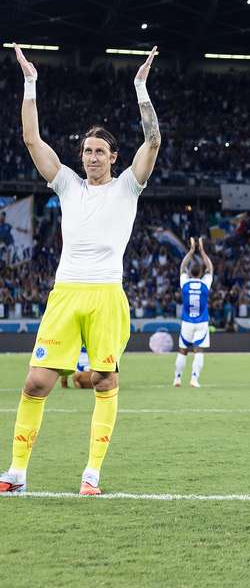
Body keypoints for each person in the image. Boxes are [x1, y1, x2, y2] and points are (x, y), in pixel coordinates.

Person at [0, 45, 160, 495]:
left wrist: (140, 88)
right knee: (36, 382)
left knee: (105, 379)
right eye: (87, 150)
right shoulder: (67, 184)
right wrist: (30, 82)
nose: (91, 157)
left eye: (99, 151)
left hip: (106, 294)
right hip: (66, 294)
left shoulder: (128, 187)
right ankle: (16, 473)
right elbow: (32, 140)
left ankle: (92, 474)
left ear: (113, 157)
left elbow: (152, 142)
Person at [173, 237, 213, 388]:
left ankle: (177, 378)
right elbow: (210, 268)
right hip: (201, 322)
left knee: (182, 351)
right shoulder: (205, 284)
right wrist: (202, 250)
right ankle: (194, 379)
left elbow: (182, 267)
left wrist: (191, 251)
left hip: (187, 322)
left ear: (190, 272)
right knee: (198, 351)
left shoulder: (185, 283)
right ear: (201, 272)